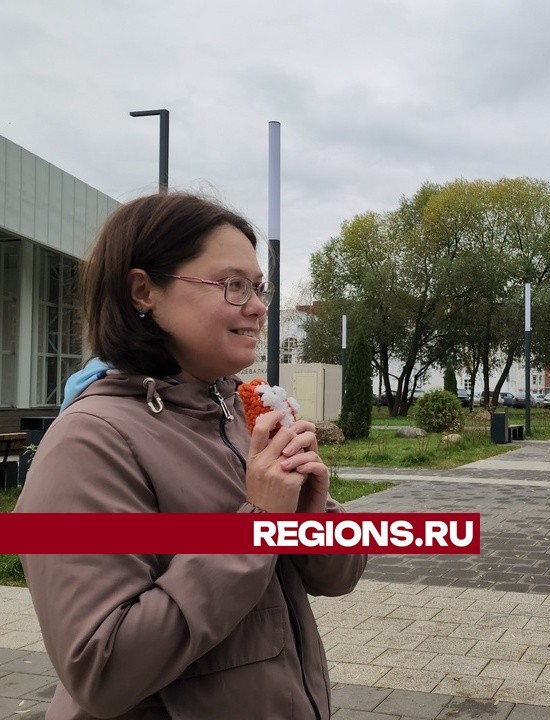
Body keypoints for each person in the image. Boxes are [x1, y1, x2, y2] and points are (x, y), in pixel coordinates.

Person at [15, 193, 367, 719]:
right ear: (144, 291)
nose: (257, 306)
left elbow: (336, 578)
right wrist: (257, 525)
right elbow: (102, 669)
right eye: (233, 285)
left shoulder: (236, 415)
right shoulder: (90, 442)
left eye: (259, 287)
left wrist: (311, 508)